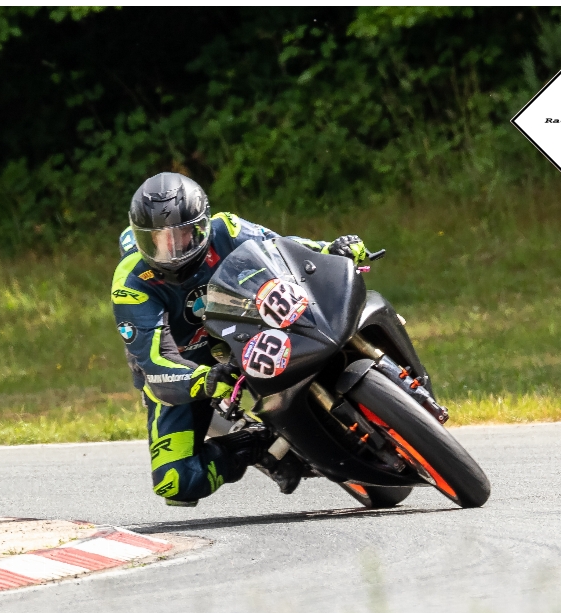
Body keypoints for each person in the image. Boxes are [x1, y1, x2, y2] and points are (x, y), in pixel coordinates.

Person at [113, 172, 372, 506]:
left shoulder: (227, 229)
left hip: (245, 327)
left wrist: (330, 249)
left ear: (202, 225)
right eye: (157, 241)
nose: (171, 250)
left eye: (181, 235)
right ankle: (254, 443)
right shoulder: (130, 283)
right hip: (186, 367)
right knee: (175, 483)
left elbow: (282, 249)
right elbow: (155, 363)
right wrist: (204, 380)